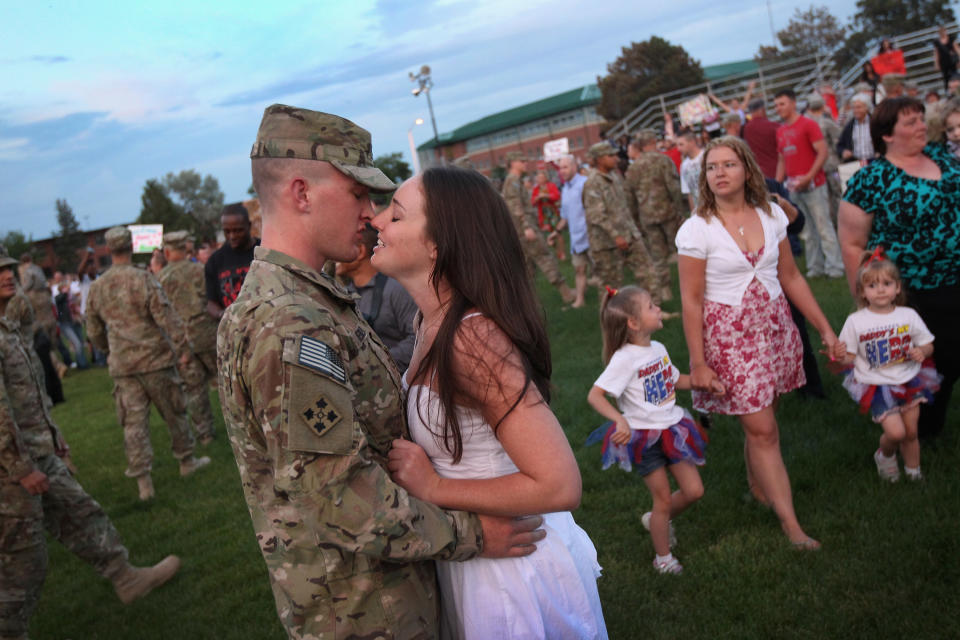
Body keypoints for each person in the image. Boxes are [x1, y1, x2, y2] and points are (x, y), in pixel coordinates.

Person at [219, 104, 545, 640]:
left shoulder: (308, 301)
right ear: (301, 193)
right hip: (367, 612)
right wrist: (474, 535)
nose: (371, 213)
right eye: (357, 194)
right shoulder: (290, 322)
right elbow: (345, 501)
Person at [373, 165, 607, 639]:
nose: (377, 221)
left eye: (395, 216)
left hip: (512, 573)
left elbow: (559, 483)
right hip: (475, 557)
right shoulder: (429, 325)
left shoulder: (472, 338)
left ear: (437, 244)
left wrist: (435, 488)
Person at [0, 254, 181, 640]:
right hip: (12, 468)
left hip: (38, 452)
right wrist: (18, 467)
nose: (6, 276)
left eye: (6, 268)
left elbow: (25, 396)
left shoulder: (7, 327)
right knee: (22, 561)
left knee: (82, 514)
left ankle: (126, 577)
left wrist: (52, 439)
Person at [676, 136, 838, 549]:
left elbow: (792, 277)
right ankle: (792, 527)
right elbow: (691, 301)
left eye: (728, 165)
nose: (720, 173)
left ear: (747, 169)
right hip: (729, 338)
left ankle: (758, 486)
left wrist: (824, 328)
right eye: (712, 167)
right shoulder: (697, 230)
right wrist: (698, 363)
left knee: (766, 415)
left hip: (774, 328)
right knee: (764, 429)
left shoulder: (770, 215)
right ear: (704, 177)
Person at [838, 97, 960, 441]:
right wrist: (863, 298)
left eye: (921, 119)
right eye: (910, 122)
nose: (921, 125)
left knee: (952, 354)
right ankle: (918, 431)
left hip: (957, 276)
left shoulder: (941, 156)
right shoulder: (872, 178)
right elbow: (851, 242)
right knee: (932, 359)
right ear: (887, 135)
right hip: (913, 289)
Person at [586, 285, 715, 575]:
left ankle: (656, 519)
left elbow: (673, 380)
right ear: (633, 323)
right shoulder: (624, 359)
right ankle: (663, 558)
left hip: (673, 430)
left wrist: (701, 382)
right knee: (664, 499)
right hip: (643, 439)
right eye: (651, 306)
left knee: (694, 490)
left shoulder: (658, 349)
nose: (658, 309)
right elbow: (595, 395)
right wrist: (619, 420)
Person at [85, 227, 210, 501]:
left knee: (133, 423)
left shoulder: (97, 286)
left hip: (124, 366)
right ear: (130, 247)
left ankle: (144, 483)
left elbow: (92, 329)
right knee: (174, 412)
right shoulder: (143, 279)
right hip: (155, 360)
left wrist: (108, 349)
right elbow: (166, 316)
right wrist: (182, 347)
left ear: (108, 249)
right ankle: (186, 461)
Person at [831, 249, 940, 482]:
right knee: (896, 432)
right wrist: (840, 355)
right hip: (877, 384)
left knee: (911, 432)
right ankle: (885, 454)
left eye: (887, 284)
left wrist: (922, 351)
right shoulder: (856, 321)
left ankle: (914, 472)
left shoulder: (908, 315)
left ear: (897, 288)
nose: (880, 290)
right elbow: (848, 357)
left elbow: (928, 343)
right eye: (872, 286)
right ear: (862, 292)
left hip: (908, 378)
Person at [774, 89, 844, 279]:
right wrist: (777, 184)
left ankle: (835, 267)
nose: (778, 108)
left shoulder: (808, 124)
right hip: (793, 186)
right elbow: (782, 159)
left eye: (782, 104)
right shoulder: (780, 131)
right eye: (776, 105)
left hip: (814, 184)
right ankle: (815, 267)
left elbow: (822, 152)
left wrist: (810, 176)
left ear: (793, 103)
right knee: (807, 230)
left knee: (823, 226)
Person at [159, 230, 218, 445]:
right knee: (225, 381)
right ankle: (240, 425)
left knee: (194, 389)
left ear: (166, 251)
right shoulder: (199, 270)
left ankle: (205, 434)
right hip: (207, 333)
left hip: (181, 340)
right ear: (186, 248)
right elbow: (213, 298)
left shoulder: (161, 278)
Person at [335, 223, 417, 372]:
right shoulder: (343, 293)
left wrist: (376, 363)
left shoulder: (396, 289)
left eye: (340, 245)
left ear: (360, 251)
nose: (334, 256)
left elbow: (418, 338)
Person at [582, 141, 658, 299]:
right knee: (611, 286)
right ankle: (612, 321)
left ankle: (652, 310)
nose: (616, 159)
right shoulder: (593, 182)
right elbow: (595, 214)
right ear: (599, 159)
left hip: (629, 235)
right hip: (607, 243)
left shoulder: (614, 176)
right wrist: (615, 235)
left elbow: (623, 207)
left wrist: (633, 230)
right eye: (610, 155)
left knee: (647, 272)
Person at [501, 152, 575, 304]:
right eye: (521, 160)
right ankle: (566, 293)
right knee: (545, 257)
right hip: (525, 230)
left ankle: (530, 303)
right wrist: (527, 227)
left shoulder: (514, 181)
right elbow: (515, 206)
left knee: (527, 269)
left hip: (520, 231)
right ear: (512, 163)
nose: (525, 163)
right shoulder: (512, 181)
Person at [624, 129, 684, 303]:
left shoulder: (633, 167)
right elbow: (673, 187)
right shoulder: (663, 160)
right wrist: (680, 210)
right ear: (652, 142)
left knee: (657, 255)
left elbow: (630, 197)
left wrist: (635, 219)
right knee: (681, 249)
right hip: (668, 212)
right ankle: (689, 283)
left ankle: (665, 289)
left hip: (647, 216)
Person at [204, 203, 259, 321]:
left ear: (249, 226)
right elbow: (211, 303)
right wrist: (222, 315)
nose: (232, 236)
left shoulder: (264, 250)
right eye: (227, 232)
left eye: (238, 230)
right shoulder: (215, 261)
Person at [556, 154, 590, 308]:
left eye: (565, 167)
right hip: (576, 239)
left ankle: (615, 299)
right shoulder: (565, 189)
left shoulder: (585, 184)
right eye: (560, 168)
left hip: (591, 237)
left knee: (605, 272)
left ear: (574, 167)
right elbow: (565, 216)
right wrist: (556, 232)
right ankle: (580, 300)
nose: (562, 171)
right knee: (579, 269)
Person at [805, 94, 843, 224]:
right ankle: (840, 222)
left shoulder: (807, 122)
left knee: (825, 199)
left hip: (816, 166)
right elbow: (839, 138)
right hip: (830, 164)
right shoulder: (825, 122)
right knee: (838, 195)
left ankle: (833, 223)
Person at [742, 98, 781, 180]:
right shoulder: (775, 126)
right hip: (778, 170)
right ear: (763, 109)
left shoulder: (746, 128)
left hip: (759, 172)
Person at [531, 170, 565, 260]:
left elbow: (557, 196)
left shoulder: (551, 185)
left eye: (541, 177)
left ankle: (562, 253)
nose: (539, 179)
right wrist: (537, 198)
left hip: (553, 213)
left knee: (558, 233)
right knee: (549, 235)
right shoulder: (536, 189)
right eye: (538, 178)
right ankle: (557, 251)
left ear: (546, 178)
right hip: (544, 214)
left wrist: (546, 195)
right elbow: (533, 203)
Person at [837, 94, 875, 163]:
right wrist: (843, 151)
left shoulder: (876, 123)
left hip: (874, 161)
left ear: (867, 108)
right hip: (856, 162)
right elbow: (840, 145)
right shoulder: (849, 126)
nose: (855, 110)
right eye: (853, 108)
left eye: (858, 107)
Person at [677, 130, 704, 212]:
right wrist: (694, 213)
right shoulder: (684, 165)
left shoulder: (706, 156)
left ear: (692, 142)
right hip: (700, 210)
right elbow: (689, 192)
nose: (678, 149)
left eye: (681, 144)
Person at [931, 26, 960, 91]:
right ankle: (949, 92)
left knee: (955, 76)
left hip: (952, 61)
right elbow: (936, 53)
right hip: (943, 62)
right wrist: (936, 63)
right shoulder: (937, 42)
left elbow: (957, 49)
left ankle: (957, 90)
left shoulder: (951, 39)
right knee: (946, 78)